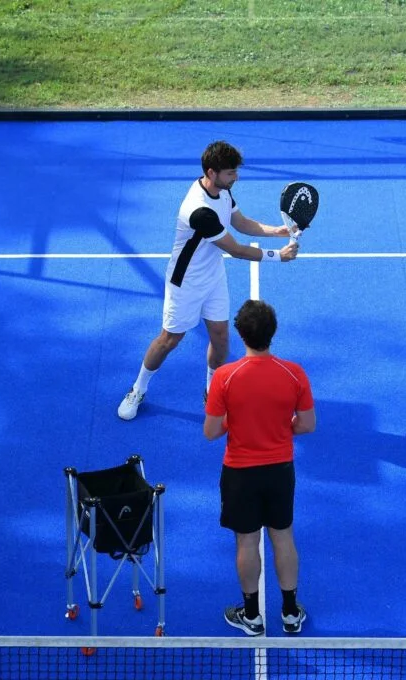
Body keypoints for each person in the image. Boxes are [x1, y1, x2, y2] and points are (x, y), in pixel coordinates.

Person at [118, 140, 299, 420]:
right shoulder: (199, 210)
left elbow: (241, 223)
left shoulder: (222, 192)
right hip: (186, 283)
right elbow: (236, 249)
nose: (235, 177)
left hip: (213, 276)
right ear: (212, 172)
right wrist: (279, 255)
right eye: (230, 173)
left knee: (220, 336)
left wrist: (276, 231)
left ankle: (212, 390)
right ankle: (138, 388)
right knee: (169, 340)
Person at [203, 299, 316, 635]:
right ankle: (291, 613)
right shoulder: (294, 373)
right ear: (273, 333)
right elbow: (307, 424)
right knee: (283, 538)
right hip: (280, 470)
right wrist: (283, 426)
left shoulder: (224, 377)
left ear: (240, 334)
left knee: (247, 542)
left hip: (240, 473)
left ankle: (251, 616)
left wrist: (231, 421)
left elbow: (211, 431)